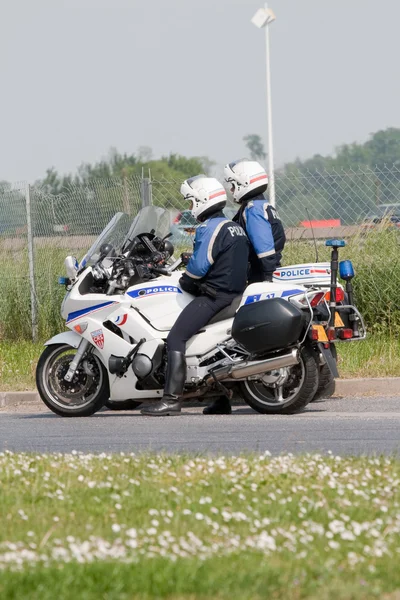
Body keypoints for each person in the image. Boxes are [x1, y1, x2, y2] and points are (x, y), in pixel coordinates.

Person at [141, 175, 249, 417]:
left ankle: (170, 400)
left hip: (215, 296)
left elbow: (199, 268)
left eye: (191, 202)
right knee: (216, 348)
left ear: (202, 200)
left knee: (175, 338)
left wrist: (185, 280)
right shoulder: (234, 227)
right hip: (235, 294)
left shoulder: (209, 228)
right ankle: (221, 400)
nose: (191, 208)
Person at [224, 159, 286, 283]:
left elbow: (264, 246)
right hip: (268, 269)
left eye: (233, 185)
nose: (231, 190)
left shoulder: (253, 210)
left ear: (245, 182)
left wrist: (268, 278)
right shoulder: (263, 205)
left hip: (261, 273)